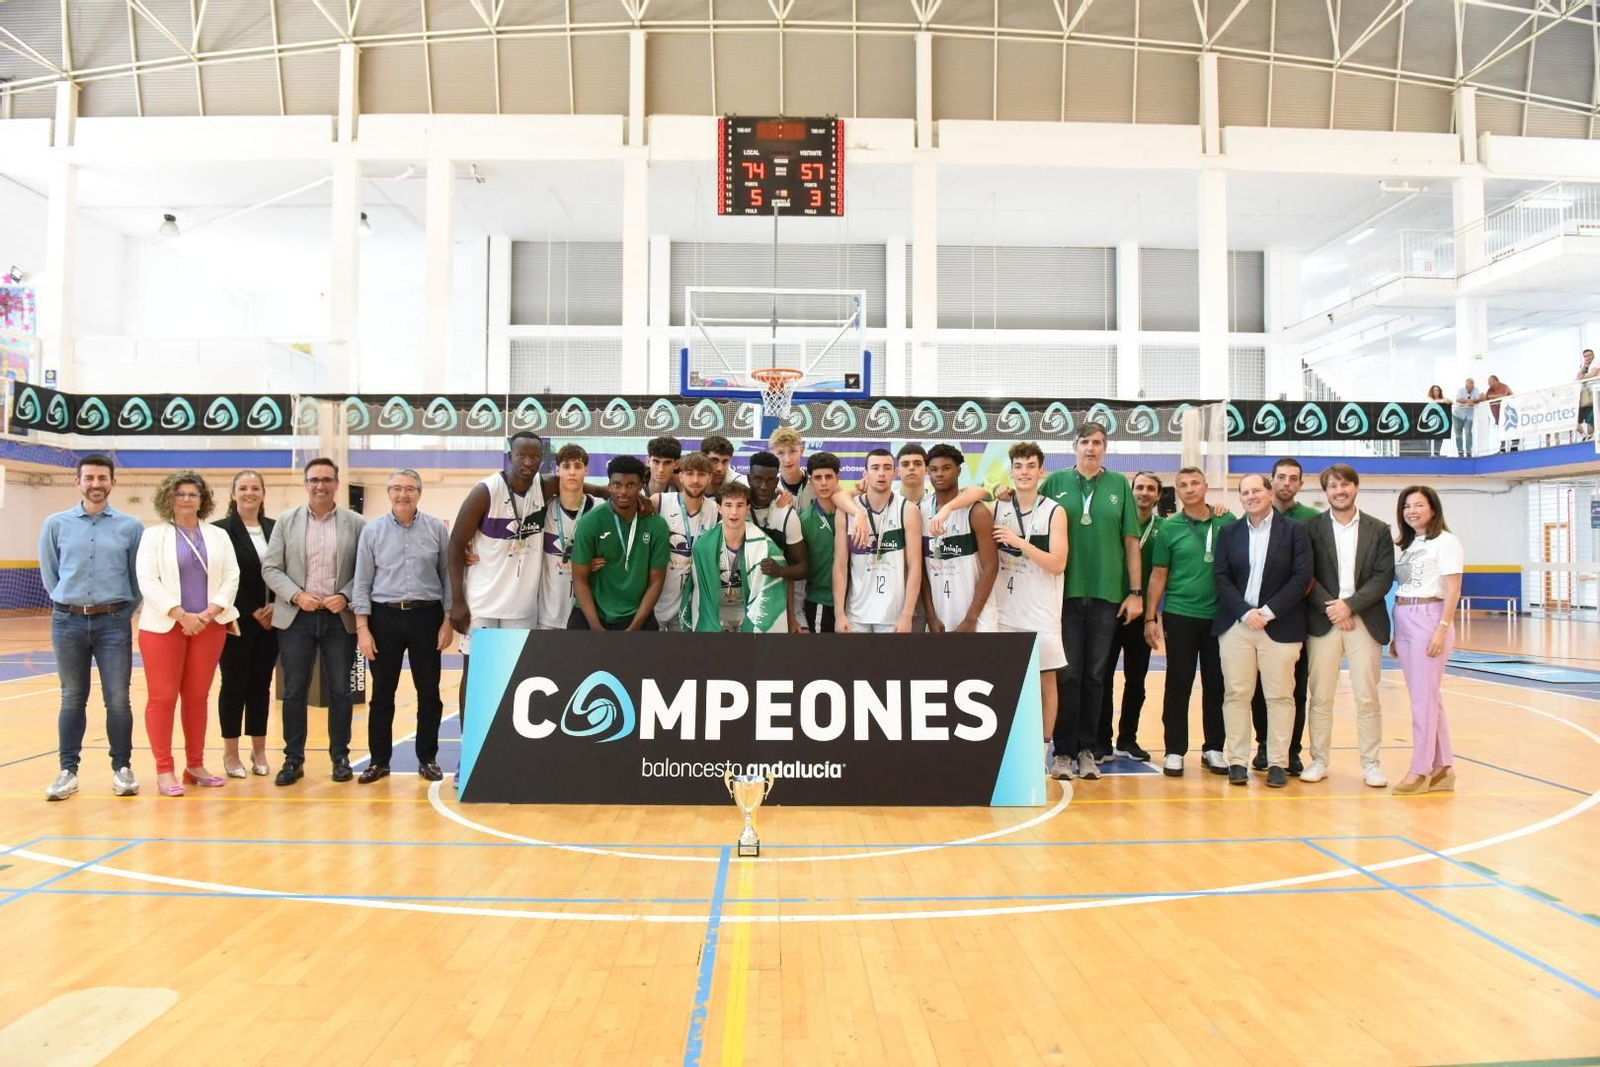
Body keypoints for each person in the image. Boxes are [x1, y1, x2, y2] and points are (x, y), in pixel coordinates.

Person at [1039, 422, 1142, 783]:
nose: (1091, 448)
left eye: (1098, 443)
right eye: (1085, 442)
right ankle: (1063, 751)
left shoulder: (1119, 486)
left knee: (1096, 676)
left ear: (1105, 449)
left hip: (1106, 595)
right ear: (1074, 447)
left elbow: (1131, 542)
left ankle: (1088, 750)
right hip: (1063, 594)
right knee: (1067, 674)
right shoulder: (1053, 484)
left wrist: (1135, 592)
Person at [40, 454, 145, 801]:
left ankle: (122, 769)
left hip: (114, 622)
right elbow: (50, 573)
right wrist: (66, 603)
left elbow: (137, 577)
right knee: (72, 698)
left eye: (102, 478)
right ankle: (67, 771)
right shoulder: (55, 524)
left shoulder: (131, 527)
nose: (96, 484)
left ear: (113, 482)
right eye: (89, 478)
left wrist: (121, 611)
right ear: (78, 482)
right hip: (67, 621)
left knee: (118, 700)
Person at [261, 457, 367, 787]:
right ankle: (293, 759)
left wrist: (346, 596)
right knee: (294, 691)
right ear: (305, 484)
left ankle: (340, 757)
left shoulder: (357, 523)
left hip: (339, 619)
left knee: (340, 691)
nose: (320, 485)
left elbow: (366, 570)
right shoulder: (286, 521)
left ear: (337, 483)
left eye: (326, 479)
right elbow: (271, 568)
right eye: (314, 479)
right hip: (297, 619)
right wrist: (296, 595)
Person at [135, 471, 241, 797]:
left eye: (192, 494)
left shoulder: (218, 536)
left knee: (197, 698)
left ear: (202, 500)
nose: (186, 499)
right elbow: (147, 580)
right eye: (180, 494)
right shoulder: (154, 536)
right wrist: (180, 614)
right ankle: (164, 769)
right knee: (163, 698)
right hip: (164, 627)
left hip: (209, 627)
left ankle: (195, 764)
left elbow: (231, 575)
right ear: (169, 498)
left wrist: (209, 613)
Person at [351, 468, 453, 785]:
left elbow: (448, 577)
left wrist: (448, 621)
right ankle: (379, 761)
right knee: (383, 694)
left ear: (419, 493)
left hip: (427, 616)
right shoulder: (372, 531)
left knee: (429, 694)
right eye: (397, 488)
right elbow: (362, 581)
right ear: (389, 493)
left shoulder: (437, 529)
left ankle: (428, 758)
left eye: (409, 488)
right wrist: (363, 628)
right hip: (384, 618)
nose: (403, 494)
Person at [1214, 473, 1312, 789]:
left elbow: (1301, 577)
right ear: (1240, 499)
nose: (1251, 496)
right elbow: (1221, 577)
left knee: (1280, 696)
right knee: (1237, 694)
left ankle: (1278, 762)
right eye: (1245, 493)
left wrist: (1268, 612)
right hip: (1237, 626)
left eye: (1257, 490)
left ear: (1269, 493)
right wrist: (1245, 612)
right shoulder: (1229, 533)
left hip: (1280, 625)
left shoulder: (1296, 532)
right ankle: (1238, 761)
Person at [1302, 463, 1395, 788]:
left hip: (1364, 620)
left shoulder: (1378, 529)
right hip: (1324, 620)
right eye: (1332, 486)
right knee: (1321, 696)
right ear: (1325, 492)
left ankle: (1371, 764)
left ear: (1356, 487)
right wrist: (1333, 607)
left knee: (1367, 697)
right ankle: (1319, 761)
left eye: (1344, 485)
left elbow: (1383, 577)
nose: (1339, 491)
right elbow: (1306, 575)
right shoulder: (1311, 528)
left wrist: (1350, 606)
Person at [1145, 467, 1235, 777]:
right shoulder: (1169, 529)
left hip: (1219, 617)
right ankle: (1174, 750)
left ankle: (1214, 748)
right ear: (1177, 492)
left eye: (1195, 483)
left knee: (1217, 685)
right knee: (1178, 683)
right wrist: (1151, 617)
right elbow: (1159, 575)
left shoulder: (1227, 521)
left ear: (1206, 486)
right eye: (1182, 485)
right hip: (1180, 614)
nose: (1189, 488)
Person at [992, 443, 1069, 771]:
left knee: (1045, 681)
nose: (1024, 471)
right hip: (1005, 611)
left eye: (1031, 466)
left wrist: (1020, 542)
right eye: (1019, 465)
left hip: (1042, 612)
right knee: (1007, 680)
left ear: (1041, 472)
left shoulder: (1054, 511)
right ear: (1010, 471)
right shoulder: (999, 506)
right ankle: (1008, 747)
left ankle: (1041, 752)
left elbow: (1057, 563)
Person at [1392, 486, 1464, 795]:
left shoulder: (1446, 542)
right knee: (1428, 696)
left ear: (1433, 509)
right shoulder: (1411, 545)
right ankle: (1444, 767)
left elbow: (1453, 590)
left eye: (1419, 505)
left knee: (1423, 700)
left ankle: (1420, 769)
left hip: (1429, 617)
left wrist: (1442, 628)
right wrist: (1397, 632)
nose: (1412, 511)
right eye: (1407, 506)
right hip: (1405, 616)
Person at [1251, 457, 1316, 774]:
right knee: (1260, 688)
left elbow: (1310, 573)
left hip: (1294, 618)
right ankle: (1264, 744)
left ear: (1301, 484)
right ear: (1270, 481)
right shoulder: (1254, 516)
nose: (1286, 483)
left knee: (1294, 689)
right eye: (1281, 477)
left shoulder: (1311, 520)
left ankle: (1291, 750)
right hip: (1258, 620)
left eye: (1293, 478)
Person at [214, 470, 277, 778]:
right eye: (243, 488)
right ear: (233, 493)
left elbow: (286, 570)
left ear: (263, 494)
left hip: (272, 622)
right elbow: (223, 577)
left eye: (255, 488)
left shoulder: (276, 529)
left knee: (261, 688)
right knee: (233, 687)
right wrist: (252, 610)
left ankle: (260, 750)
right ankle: (230, 754)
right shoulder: (219, 531)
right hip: (235, 621)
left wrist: (275, 607)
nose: (249, 493)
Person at [1096, 471, 1162, 763]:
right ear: (1130, 491)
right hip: (1108, 608)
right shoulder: (1114, 523)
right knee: (1102, 677)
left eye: (1150, 489)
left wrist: (1152, 615)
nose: (1143, 492)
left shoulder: (1166, 528)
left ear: (1159, 495)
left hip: (1143, 613)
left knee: (1136, 680)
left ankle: (1127, 739)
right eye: (1139, 487)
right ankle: (1100, 741)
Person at [570, 455, 671, 631]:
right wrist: (596, 628)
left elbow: (657, 581)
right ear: (609, 486)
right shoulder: (590, 522)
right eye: (617, 485)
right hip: (594, 615)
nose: (623, 491)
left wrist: (633, 628)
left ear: (641, 486)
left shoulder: (657, 525)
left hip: (636, 616)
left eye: (630, 485)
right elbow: (579, 578)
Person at [833, 448, 923, 633]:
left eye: (887, 468)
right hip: (855, 615)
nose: (881, 473)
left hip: (893, 616)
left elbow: (915, 566)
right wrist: (839, 614)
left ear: (895, 473)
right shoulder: (846, 511)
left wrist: (907, 615)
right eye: (875, 468)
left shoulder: (908, 510)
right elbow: (840, 565)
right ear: (865, 473)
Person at [682, 482, 788, 632]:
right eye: (728, 505)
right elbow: (699, 594)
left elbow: (771, 592)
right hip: (716, 611)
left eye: (739, 505)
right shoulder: (703, 546)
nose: (734, 512)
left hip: (747, 610)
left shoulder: (764, 546)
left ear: (748, 508)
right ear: (719, 508)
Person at [921, 443, 1000, 635]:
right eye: (933, 469)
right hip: (940, 618)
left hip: (977, 619)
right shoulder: (921, 510)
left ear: (958, 471)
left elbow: (991, 567)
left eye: (946, 468)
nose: (939, 474)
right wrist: (931, 617)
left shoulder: (977, 511)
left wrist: (971, 618)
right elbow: (922, 570)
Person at [538, 444, 602, 630]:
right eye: (566, 467)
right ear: (557, 470)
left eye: (577, 466)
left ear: (586, 470)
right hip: (548, 613)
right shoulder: (545, 508)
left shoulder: (600, 508)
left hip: (587, 614)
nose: (572, 472)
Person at [654, 452, 719, 630]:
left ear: (710, 478)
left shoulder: (716, 511)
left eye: (702, 474)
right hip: (657, 599)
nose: (695, 480)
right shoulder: (658, 502)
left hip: (690, 601)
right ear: (680, 476)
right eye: (690, 473)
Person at [747, 450, 809, 634]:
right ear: (749, 478)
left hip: (774, 603)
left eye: (770, 480)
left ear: (777, 479)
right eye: (758, 479)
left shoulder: (786, 514)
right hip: (738, 600)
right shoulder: (735, 507)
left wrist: (781, 570)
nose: (764, 486)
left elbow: (804, 567)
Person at [799, 452, 843, 633]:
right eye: (818, 477)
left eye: (828, 477)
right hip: (820, 601)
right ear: (810, 481)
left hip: (854, 601)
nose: (823, 483)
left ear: (838, 478)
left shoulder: (852, 512)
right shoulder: (805, 520)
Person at [768, 425, 815, 512]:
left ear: (801, 451)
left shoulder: (816, 484)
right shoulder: (770, 488)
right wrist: (776, 509)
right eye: (780, 453)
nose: (788, 460)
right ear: (773, 455)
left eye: (793, 451)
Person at [1483, 375, 1514, 452]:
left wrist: (1487, 396)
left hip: (1510, 414)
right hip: (1498, 416)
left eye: (1489, 382)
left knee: (1512, 429)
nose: (1488, 384)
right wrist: (1480, 397)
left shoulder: (1504, 386)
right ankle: (1502, 449)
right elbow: (1485, 397)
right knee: (1501, 431)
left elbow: (1502, 396)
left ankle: (1514, 447)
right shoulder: (1490, 390)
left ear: (1495, 381)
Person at [1453, 377, 1483, 457]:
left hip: (1469, 415)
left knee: (1468, 432)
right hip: (1458, 415)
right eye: (1470, 383)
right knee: (1458, 434)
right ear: (1466, 384)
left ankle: (1469, 451)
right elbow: (1458, 399)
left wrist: (1472, 401)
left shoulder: (1476, 390)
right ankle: (1460, 452)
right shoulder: (1461, 390)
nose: (1472, 385)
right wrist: (1468, 401)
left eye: (1473, 383)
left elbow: (1478, 399)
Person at [1577, 349, 1597, 439]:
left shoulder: (1597, 361)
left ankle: (1594, 436)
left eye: (1589, 355)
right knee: (1589, 417)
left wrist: (1583, 378)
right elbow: (1578, 378)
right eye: (1585, 356)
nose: (1588, 357)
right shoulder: (1585, 366)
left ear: (1593, 355)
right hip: (1587, 396)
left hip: (1596, 392)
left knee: (1595, 415)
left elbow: (1593, 374)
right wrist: (1583, 367)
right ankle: (1590, 437)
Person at [1426, 385, 1447, 456]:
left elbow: (1450, 401)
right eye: (1435, 390)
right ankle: (1431, 452)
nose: (1436, 391)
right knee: (1431, 436)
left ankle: (1437, 452)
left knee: (1440, 436)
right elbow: (1433, 402)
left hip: (1440, 420)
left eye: (1438, 390)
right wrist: (1443, 401)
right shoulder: (1429, 398)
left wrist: (1447, 400)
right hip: (1431, 420)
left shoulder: (1442, 398)